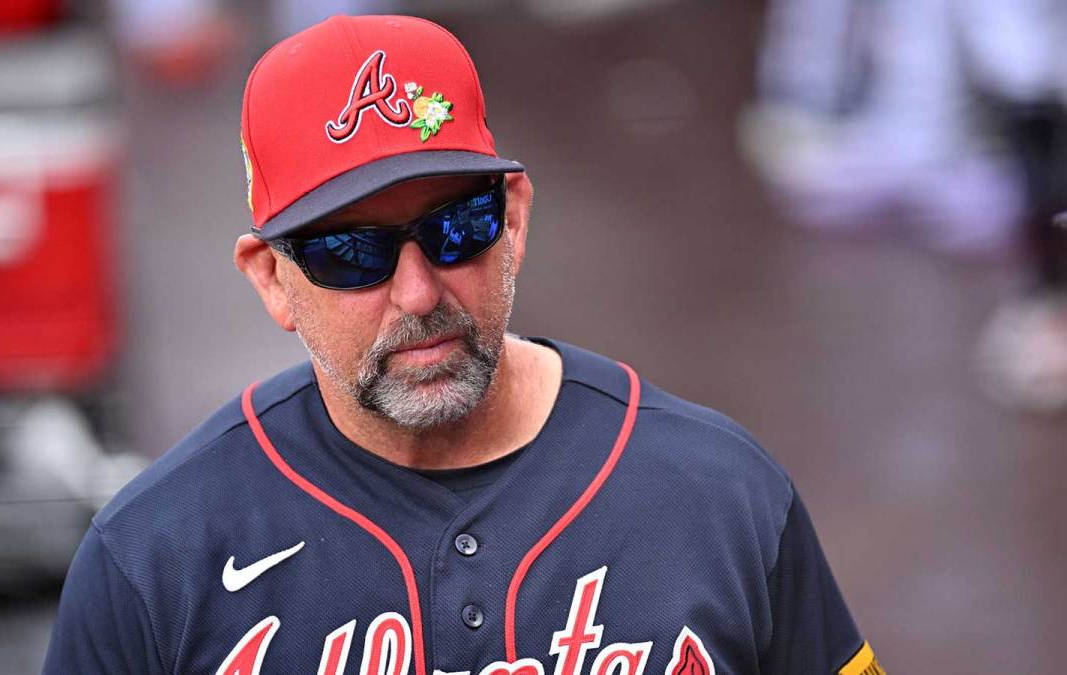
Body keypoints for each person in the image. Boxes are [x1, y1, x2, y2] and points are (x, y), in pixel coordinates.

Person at [43, 14, 881, 675]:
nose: (417, 292)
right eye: (351, 252)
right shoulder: (155, 557)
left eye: (456, 228)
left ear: (512, 220)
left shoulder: (722, 498)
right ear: (271, 278)